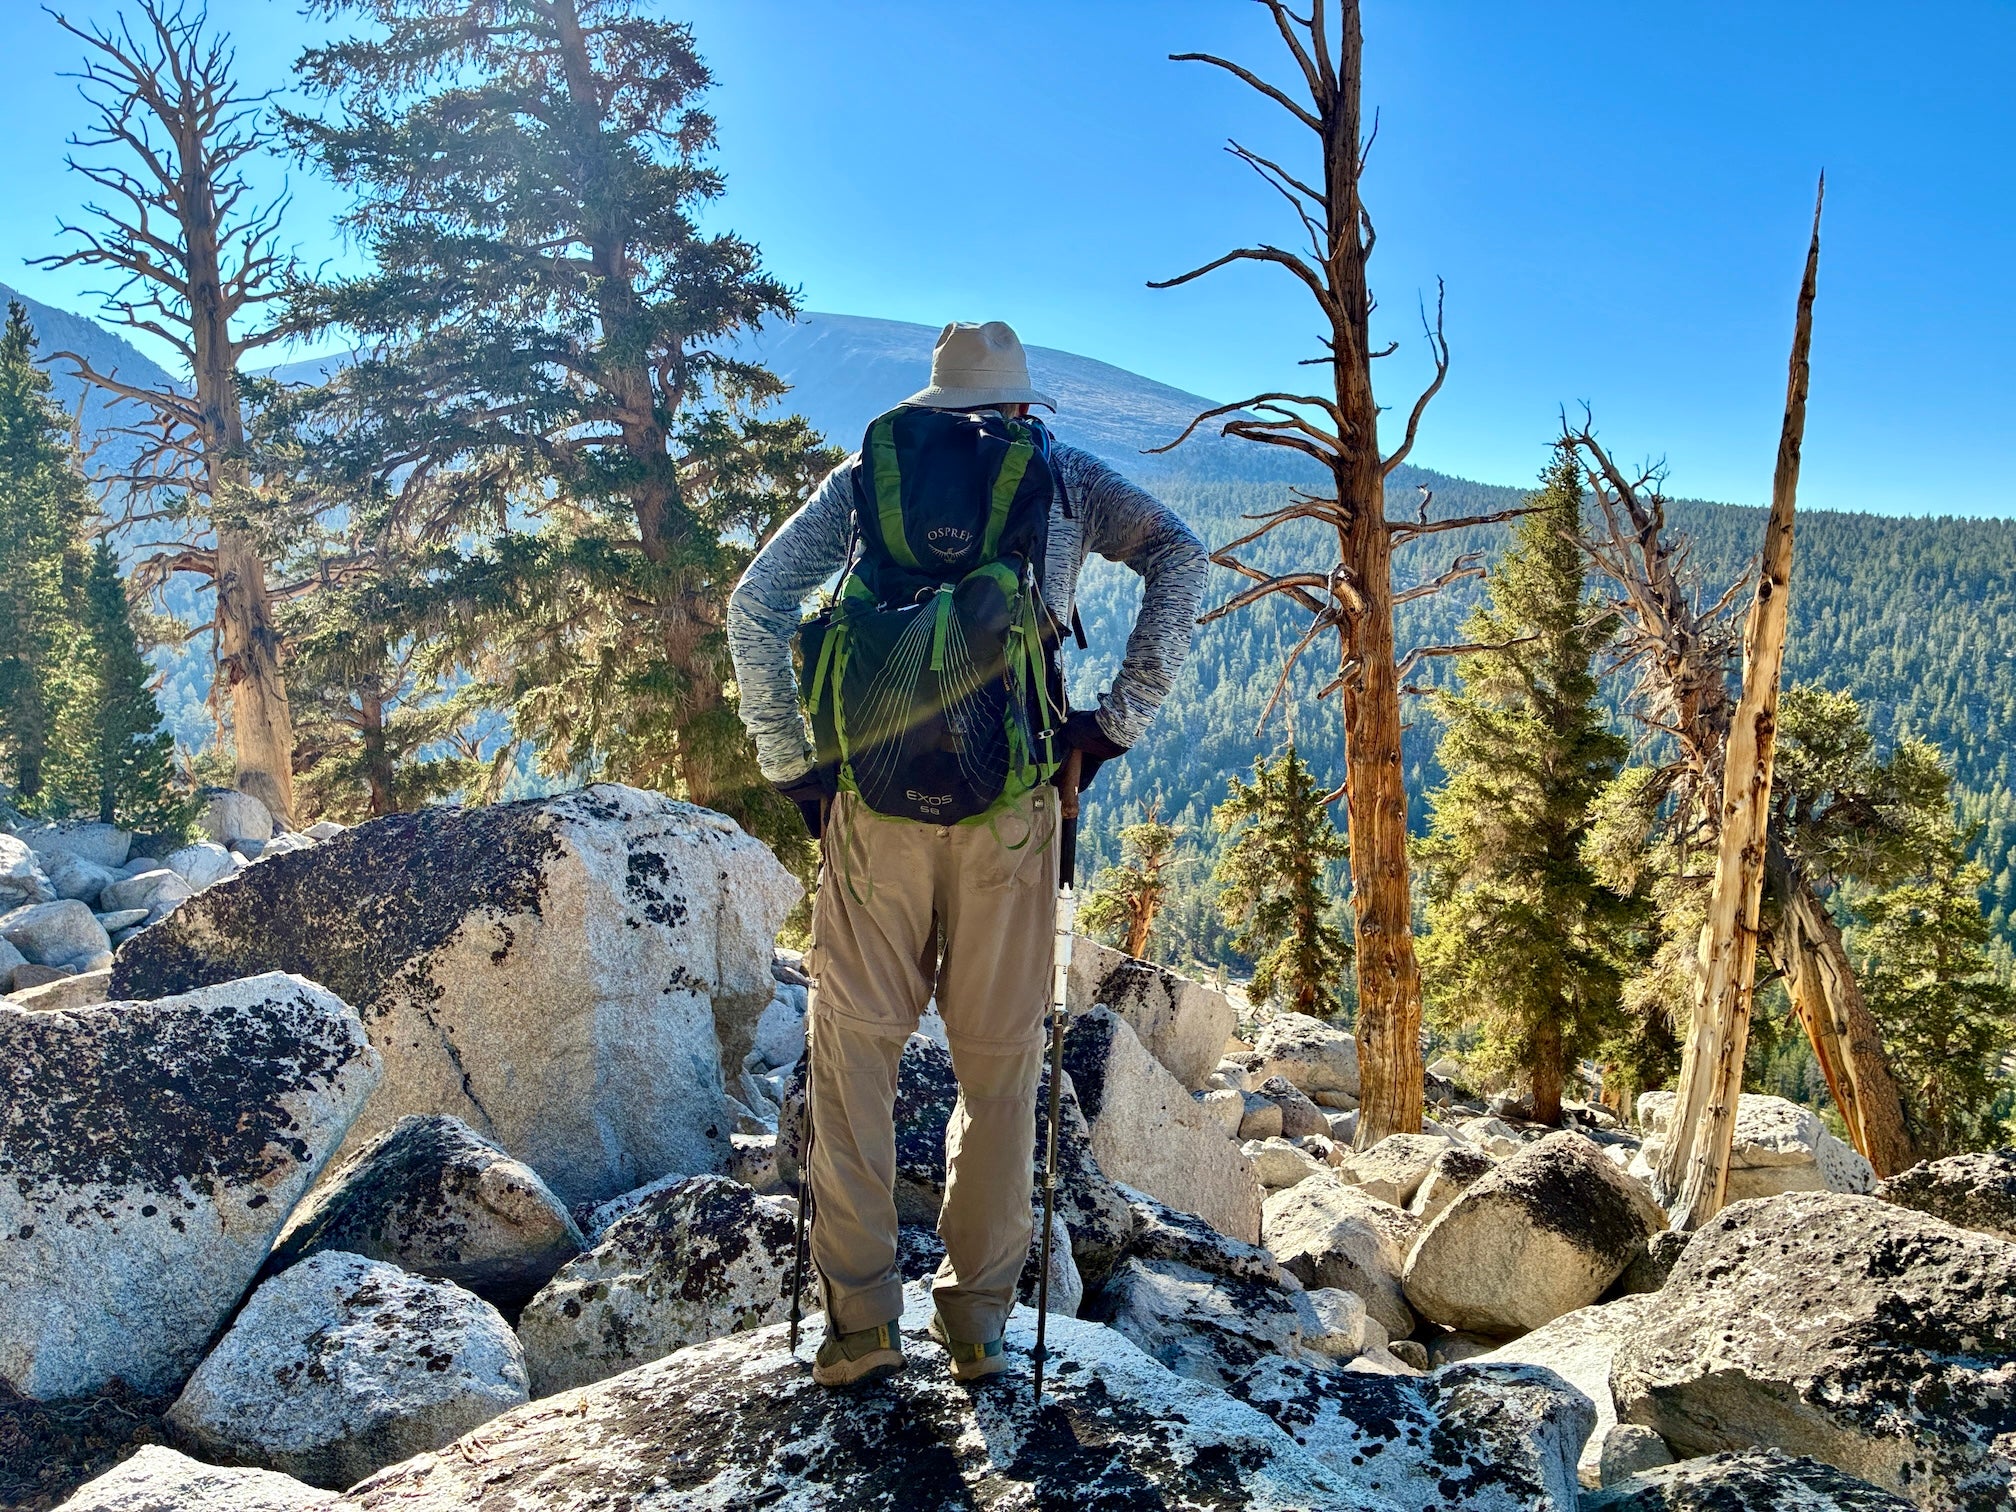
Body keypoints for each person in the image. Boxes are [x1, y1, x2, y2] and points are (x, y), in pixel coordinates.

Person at [726, 320, 1205, 1387]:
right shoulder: (1062, 475)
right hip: (1014, 809)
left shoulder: (869, 478)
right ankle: (978, 1322)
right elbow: (1182, 554)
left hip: (872, 813)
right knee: (999, 1069)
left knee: (854, 1059)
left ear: (931, 403)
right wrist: (1116, 720)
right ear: (1022, 403)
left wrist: (795, 767)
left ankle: (859, 1325)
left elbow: (755, 605)